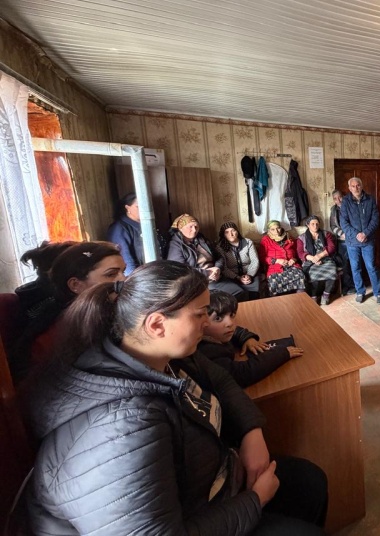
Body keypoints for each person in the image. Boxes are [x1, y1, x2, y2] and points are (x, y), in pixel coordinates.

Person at [25, 260, 328, 535]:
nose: (207, 323)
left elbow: (221, 379)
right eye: (200, 314)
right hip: (189, 516)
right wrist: (256, 499)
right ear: (157, 324)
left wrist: (251, 432)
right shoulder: (124, 428)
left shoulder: (161, 352)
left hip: (207, 486)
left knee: (309, 481)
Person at [8, 241, 125, 383]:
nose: (124, 280)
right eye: (111, 274)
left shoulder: (109, 313)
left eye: (123, 272)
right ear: (75, 285)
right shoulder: (56, 334)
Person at [199, 291, 304, 387]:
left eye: (231, 315)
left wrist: (246, 338)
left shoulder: (215, 333)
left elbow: (236, 331)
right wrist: (282, 353)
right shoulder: (207, 353)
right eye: (218, 318)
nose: (230, 323)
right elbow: (243, 374)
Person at [168, 213, 247, 301]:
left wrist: (217, 268)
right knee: (232, 295)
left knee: (240, 292)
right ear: (180, 228)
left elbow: (219, 257)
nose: (194, 230)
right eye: (190, 227)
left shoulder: (201, 239)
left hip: (215, 277)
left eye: (196, 226)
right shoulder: (175, 245)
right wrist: (207, 273)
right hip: (197, 281)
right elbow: (181, 270)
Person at [339, 177, 380, 304]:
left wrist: (365, 233)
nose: (356, 188)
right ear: (349, 188)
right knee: (355, 268)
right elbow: (344, 223)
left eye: (358, 185)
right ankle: (360, 291)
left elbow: (375, 219)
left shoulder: (370, 199)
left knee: (371, 266)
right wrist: (356, 234)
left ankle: (378, 293)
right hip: (352, 242)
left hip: (367, 240)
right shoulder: (345, 202)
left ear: (362, 186)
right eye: (353, 186)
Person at [296, 215, 337, 305]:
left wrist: (320, 255)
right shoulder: (301, 238)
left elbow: (332, 247)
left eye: (317, 224)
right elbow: (300, 253)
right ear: (308, 225)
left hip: (325, 258)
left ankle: (326, 295)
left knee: (332, 270)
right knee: (312, 273)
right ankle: (313, 296)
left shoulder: (326, 234)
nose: (315, 226)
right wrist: (313, 258)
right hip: (310, 260)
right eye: (312, 224)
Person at [259, 220, 307, 297]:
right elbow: (262, 257)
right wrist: (276, 260)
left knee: (300, 277)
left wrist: (294, 259)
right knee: (274, 282)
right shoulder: (265, 240)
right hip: (275, 267)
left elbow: (297, 252)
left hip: (292, 266)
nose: (276, 231)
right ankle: (277, 303)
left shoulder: (288, 237)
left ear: (281, 228)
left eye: (278, 228)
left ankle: (300, 299)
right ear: (269, 230)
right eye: (273, 229)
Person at [216, 221, 261, 301]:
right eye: (227, 232)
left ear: (237, 231)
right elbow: (224, 268)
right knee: (238, 295)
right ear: (223, 234)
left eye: (233, 230)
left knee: (254, 295)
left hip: (250, 274)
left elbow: (255, 261)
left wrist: (249, 275)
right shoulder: (220, 247)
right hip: (232, 277)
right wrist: (238, 277)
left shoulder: (248, 242)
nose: (231, 234)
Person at [106, 192, 147, 275]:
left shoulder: (145, 224)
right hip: (139, 276)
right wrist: (135, 280)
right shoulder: (119, 229)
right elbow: (127, 263)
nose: (144, 209)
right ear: (128, 208)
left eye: (146, 206)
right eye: (138, 207)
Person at [329, 189, 355, 295]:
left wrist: (350, 234)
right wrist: (341, 233)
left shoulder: (351, 206)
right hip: (341, 241)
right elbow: (332, 225)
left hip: (353, 239)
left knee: (354, 262)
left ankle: (355, 285)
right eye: (335, 199)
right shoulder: (333, 209)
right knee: (344, 263)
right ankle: (347, 286)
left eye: (340, 197)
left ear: (343, 196)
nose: (338, 200)